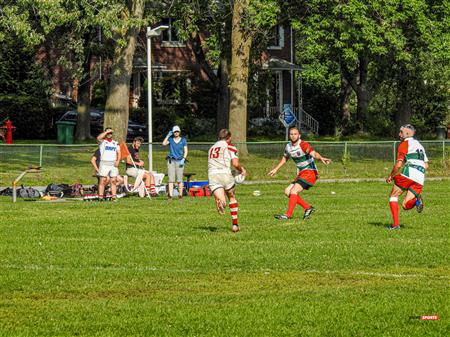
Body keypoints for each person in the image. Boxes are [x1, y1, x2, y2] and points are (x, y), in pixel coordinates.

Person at [268, 126, 332, 220]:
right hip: (302, 173)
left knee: (294, 191)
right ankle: (307, 208)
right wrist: (276, 169)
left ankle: (288, 215)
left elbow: (313, 153)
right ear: (289, 135)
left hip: (310, 172)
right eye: (291, 134)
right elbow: (285, 157)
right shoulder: (288, 146)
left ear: (299, 135)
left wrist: (321, 158)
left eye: (295, 134)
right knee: (287, 192)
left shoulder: (303, 145)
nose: (293, 136)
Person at [386, 124, 428, 230]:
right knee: (405, 205)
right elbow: (426, 165)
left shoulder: (405, 144)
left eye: (401, 132)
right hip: (420, 176)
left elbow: (399, 164)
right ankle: (417, 201)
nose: (399, 134)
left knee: (393, 196)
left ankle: (395, 225)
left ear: (407, 133)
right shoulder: (419, 145)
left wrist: (391, 175)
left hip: (409, 172)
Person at [208, 128, 246, 233]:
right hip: (225, 174)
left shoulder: (212, 148)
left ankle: (221, 203)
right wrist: (242, 170)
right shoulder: (230, 146)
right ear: (228, 138)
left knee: (223, 200)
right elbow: (235, 163)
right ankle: (235, 225)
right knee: (232, 197)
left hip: (213, 176)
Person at [163, 125, 188, 199]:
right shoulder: (170, 139)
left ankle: (180, 195)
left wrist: (184, 158)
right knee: (171, 179)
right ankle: (170, 195)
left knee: (179, 179)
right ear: (173, 132)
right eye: (175, 132)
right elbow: (164, 144)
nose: (176, 133)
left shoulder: (183, 140)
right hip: (171, 161)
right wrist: (167, 135)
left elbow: (186, 151)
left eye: (177, 131)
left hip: (180, 161)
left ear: (179, 132)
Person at [97, 128, 121, 201]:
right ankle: (100, 196)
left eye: (110, 133)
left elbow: (119, 153)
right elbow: (98, 138)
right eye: (108, 133)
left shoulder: (115, 143)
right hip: (104, 163)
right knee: (103, 180)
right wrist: (106, 132)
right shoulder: (103, 142)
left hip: (113, 163)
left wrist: (118, 161)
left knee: (113, 180)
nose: (109, 134)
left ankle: (114, 196)